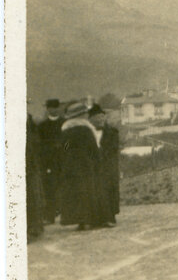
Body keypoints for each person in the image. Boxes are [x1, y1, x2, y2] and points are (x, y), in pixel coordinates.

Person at [59, 100, 114, 231]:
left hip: (71, 165)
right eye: (84, 113)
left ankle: (81, 221)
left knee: (77, 193)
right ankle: (92, 219)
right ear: (80, 115)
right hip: (86, 164)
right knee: (90, 191)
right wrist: (97, 160)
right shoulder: (86, 129)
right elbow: (93, 148)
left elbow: (64, 148)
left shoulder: (65, 130)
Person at [89, 104, 120, 227]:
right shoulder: (87, 133)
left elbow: (112, 149)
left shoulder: (112, 132)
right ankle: (96, 219)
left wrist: (101, 154)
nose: (100, 120)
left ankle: (110, 218)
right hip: (93, 167)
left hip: (108, 167)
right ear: (91, 119)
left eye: (102, 118)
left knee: (109, 191)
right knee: (94, 191)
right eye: (97, 118)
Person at [36, 98, 64, 225]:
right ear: (47, 109)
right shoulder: (42, 126)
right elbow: (40, 145)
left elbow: (69, 141)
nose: (53, 110)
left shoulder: (65, 123)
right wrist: (49, 150)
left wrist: (64, 148)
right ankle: (50, 216)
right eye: (50, 107)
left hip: (64, 161)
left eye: (55, 107)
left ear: (59, 108)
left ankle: (66, 215)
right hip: (49, 162)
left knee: (65, 187)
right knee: (50, 189)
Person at [26, 114, 46, 242]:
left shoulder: (29, 121)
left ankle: (34, 228)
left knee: (33, 197)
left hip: (30, 165)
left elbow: (36, 142)